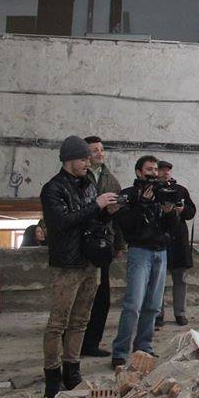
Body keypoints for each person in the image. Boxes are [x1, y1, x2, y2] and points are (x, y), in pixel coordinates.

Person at [40, 135, 120, 398]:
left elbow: (91, 219)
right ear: (69, 160)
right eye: (84, 159)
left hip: (89, 261)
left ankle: (72, 371)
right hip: (67, 264)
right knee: (58, 323)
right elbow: (62, 222)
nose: (88, 163)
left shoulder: (88, 185)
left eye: (89, 158)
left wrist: (106, 211)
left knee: (80, 321)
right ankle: (52, 376)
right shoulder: (53, 189)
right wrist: (95, 205)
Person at [110, 156, 181, 368]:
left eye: (155, 169)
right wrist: (142, 204)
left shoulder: (162, 194)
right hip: (140, 252)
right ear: (138, 172)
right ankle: (120, 352)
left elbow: (173, 229)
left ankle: (144, 348)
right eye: (149, 169)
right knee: (133, 305)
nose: (153, 173)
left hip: (161, 252)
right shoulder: (129, 195)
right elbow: (126, 225)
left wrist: (169, 213)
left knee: (153, 306)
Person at [80, 136, 125, 358]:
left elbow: (117, 217)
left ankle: (91, 343)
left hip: (103, 244)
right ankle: (72, 342)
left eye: (101, 149)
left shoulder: (111, 180)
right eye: (94, 150)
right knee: (79, 296)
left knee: (101, 296)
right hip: (81, 243)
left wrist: (119, 243)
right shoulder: (79, 178)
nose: (99, 153)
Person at [156, 160, 197, 327]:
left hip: (178, 239)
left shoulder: (180, 190)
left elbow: (191, 211)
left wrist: (182, 210)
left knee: (180, 279)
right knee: (157, 280)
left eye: (168, 170)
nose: (166, 173)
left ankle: (180, 313)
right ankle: (157, 314)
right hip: (159, 237)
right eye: (162, 170)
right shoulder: (152, 190)